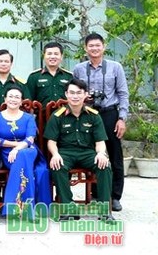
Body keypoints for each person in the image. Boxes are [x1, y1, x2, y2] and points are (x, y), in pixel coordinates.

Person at [72, 33, 129, 212]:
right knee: (92, 154)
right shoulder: (79, 69)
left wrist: (122, 118)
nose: (94, 49)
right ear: (85, 48)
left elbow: (123, 94)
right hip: (87, 114)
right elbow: (73, 91)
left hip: (109, 113)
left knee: (114, 156)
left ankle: (115, 197)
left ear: (103, 47)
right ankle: (97, 194)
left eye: (98, 45)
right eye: (91, 46)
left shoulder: (115, 67)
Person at [45, 79, 113, 220]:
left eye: (78, 93)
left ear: (85, 95)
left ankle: (105, 210)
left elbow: (100, 141)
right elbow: (51, 141)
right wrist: (55, 154)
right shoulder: (57, 116)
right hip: (66, 153)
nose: (75, 96)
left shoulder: (93, 115)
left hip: (88, 153)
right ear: (66, 94)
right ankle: (68, 208)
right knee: (57, 166)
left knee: (104, 165)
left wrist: (101, 153)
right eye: (72, 93)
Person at [0, 85, 51, 220]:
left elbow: (30, 138)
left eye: (17, 97)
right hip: (7, 153)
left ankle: (15, 208)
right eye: (10, 96)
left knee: (24, 154)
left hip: (28, 150)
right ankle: (27, 209)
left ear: (22, 100)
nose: (13, 99)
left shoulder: (28, 117)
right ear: (5, 99)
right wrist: (15, 146)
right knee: (25, 166)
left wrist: (18, 149)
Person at [26, 41, 73, 106]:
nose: (52, 57)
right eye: (49, 54)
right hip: (41, 115)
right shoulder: (34, 77)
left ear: (61, 56)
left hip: (64, 114)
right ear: (44, 56)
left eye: (56, 54)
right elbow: (29, 100)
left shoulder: (69, 76)